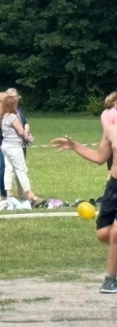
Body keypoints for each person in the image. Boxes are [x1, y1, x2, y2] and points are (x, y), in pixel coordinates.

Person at [52, 115, 117, 295]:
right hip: (114, 186)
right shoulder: (111, 130)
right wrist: (74, 146)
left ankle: (110, 280)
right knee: (104, 234)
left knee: (116, 234)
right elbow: (99, 157)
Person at [0, 94, 39, 205]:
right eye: (15, 104)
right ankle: (30, 193)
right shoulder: (12, 117)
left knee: (9, 169)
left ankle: (9, 193)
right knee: (21, 170)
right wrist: (27, 131)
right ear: (12, 105)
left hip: (5, 146)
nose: (17, 105)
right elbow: (21, 132)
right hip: (14, 147)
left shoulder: (2, 117)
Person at [5, 88, 31, 197]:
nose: (16, 99)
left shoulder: (18, 110)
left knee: (17, 169)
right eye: (14, 97)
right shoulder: (8, 113)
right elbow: (18, 129)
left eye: (17, 96)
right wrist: (25, 133)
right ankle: (27, 193)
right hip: (13, 145)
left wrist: (27, 127)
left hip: (20, 143)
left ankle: (20, 192)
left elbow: (24, 122)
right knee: (17, 169)